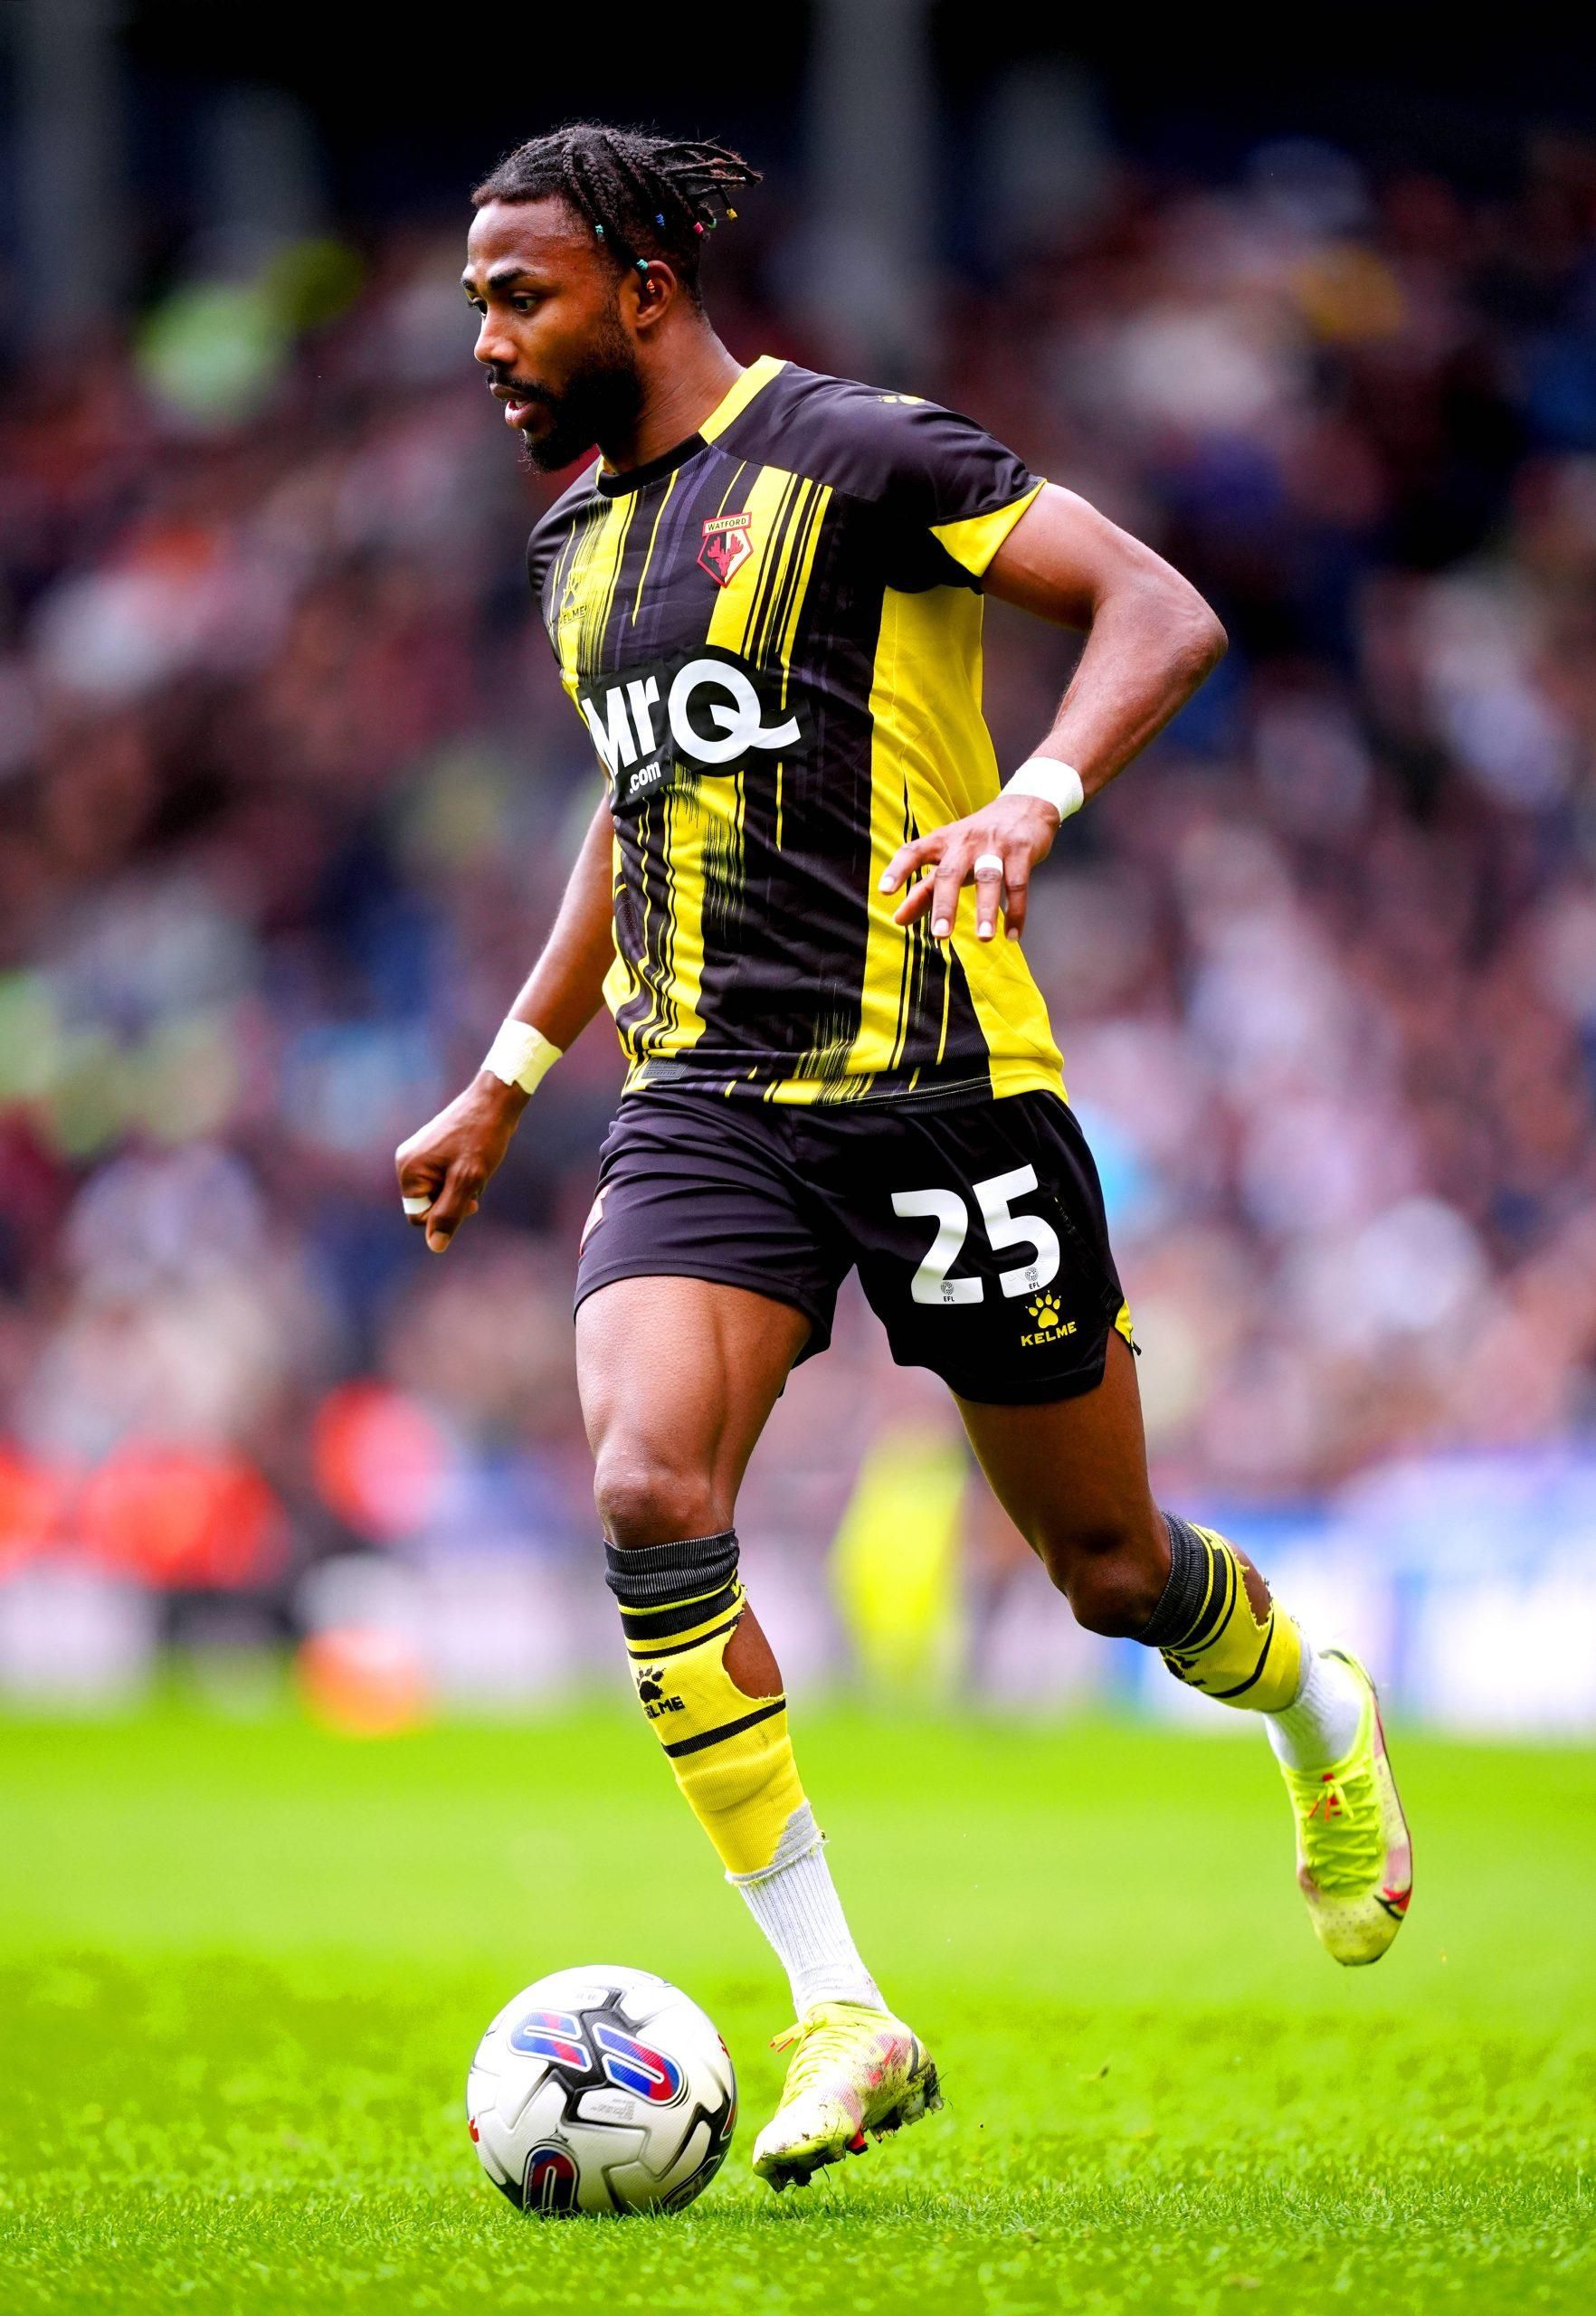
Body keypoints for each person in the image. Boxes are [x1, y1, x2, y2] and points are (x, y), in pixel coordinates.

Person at [397, 122, 1412, 2194]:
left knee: (1111, 1571)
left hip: (946, 1085)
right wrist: (509, 1064)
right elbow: (635, 808)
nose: (485, 339)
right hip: (709, 1102)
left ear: (643, 291)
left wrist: (1034, 798)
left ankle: (1316, 1708)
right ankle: (842, 2007)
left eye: (519, 296)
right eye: (476, 303)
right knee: (648, 1486)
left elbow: (1156, 609)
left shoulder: (854, 453)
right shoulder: (576, 545)